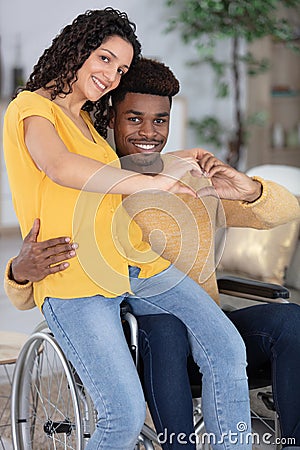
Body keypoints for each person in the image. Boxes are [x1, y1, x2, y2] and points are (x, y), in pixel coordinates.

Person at [5, 57, 300, 450]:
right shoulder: (91, 187)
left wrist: (248, 190)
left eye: (159, 120)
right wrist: (18, 271)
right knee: (165, 328)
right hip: (139, 337)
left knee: (290, 321)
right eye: (134, 119)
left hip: (203, 323)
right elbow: (45, 279)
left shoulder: (187, 179)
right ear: (110, 118)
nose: (148, 132)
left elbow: (285, 211)